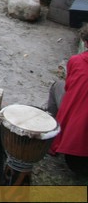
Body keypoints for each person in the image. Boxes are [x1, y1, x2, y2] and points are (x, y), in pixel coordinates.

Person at [49, 25, 88, 176]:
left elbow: (70, 86)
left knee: (57, 86)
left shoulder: (76, 61)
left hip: (75, 157)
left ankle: (49, 134)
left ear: (85, 42)